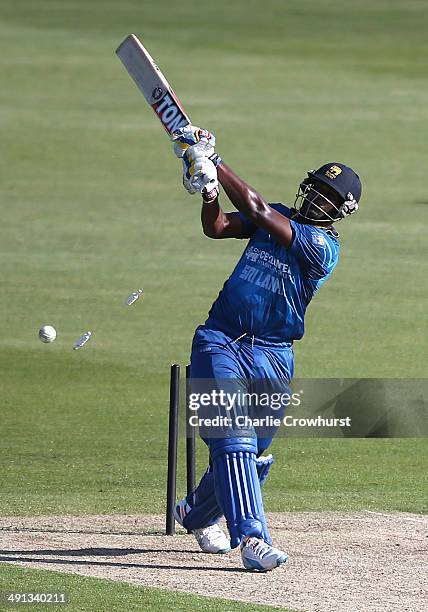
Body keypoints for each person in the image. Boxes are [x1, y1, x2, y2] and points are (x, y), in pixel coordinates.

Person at [171, 126, 362, 571]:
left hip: (275, 353)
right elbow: (217, 227)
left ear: (342, 211)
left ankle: (194, 513)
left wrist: (213, 159)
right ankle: (253, 540)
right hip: (220, 340)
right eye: (314, 188)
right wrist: (209, 189)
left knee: (252, 454)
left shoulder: (323, 247)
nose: (316, 199)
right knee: (233, 439)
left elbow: (254, 206)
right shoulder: (273, 214)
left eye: (328, 197)